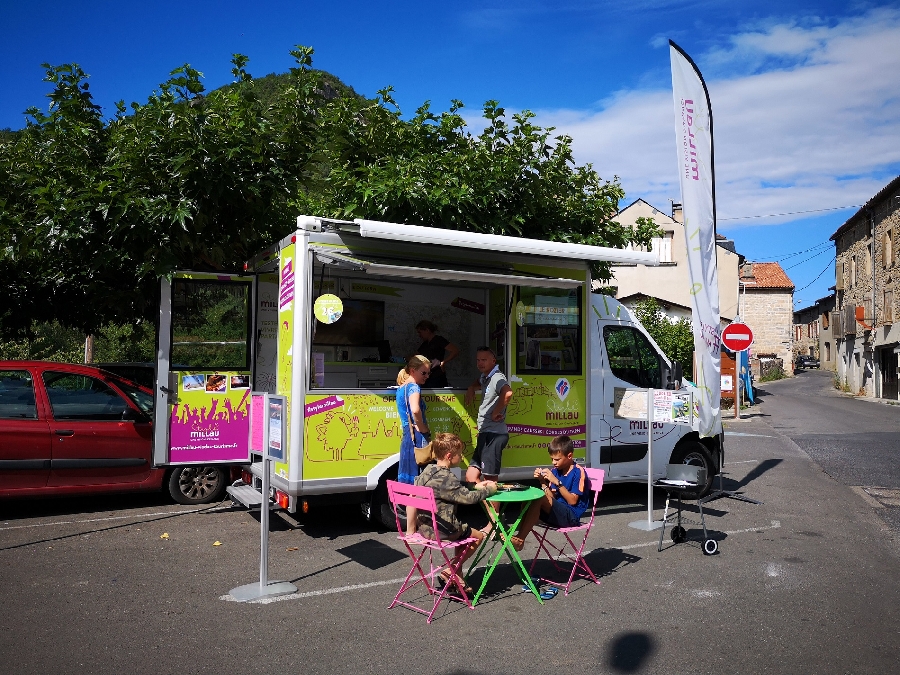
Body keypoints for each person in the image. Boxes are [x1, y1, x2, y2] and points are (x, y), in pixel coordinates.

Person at [414, 433, 497, 590]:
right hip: (443, 530)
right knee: (477, 536)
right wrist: (489, 491)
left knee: (464, 532)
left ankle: (457, 577)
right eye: (459, 454)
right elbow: (470, 499)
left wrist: (473, 485)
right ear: (449, 455)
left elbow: (452, 490)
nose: (461, 457)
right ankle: (450, 570)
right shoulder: (447, 477)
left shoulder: (428, 470)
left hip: (425, 527)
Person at [508, 435, 591, 551]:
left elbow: (572, 501)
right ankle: (518, 535)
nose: (554, 463)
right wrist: (542, 481)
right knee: (532, 495)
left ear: (570, 456)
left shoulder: (578, 472)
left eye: (557, 459)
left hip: (571, 517)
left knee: (540, 498)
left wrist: (557, 482)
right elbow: (552, 497)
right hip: (557, 513)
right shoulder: (556, 471)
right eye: (552, 459)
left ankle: (520, 539)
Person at [464, 346, 513, 483]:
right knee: (471, 477)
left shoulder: (497, 377)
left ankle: (492, 504)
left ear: (493, 361)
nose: (480, 363)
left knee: (490, 480)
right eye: (478, 360)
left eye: (484, 360)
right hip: (485, 433)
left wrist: (496, 412)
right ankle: (486, 503)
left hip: (494, 434)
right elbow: (478, 382)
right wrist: (471, 387)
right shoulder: (486, 377)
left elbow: (508, 393)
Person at [415, 320, 460, 388]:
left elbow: (455, 350)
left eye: (420, 332)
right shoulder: (425, 344)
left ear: (427, 330)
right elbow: (416, 355)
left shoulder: (439, 340)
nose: (419, 335)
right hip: (427, 376)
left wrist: (444, 362)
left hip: (437, 375)